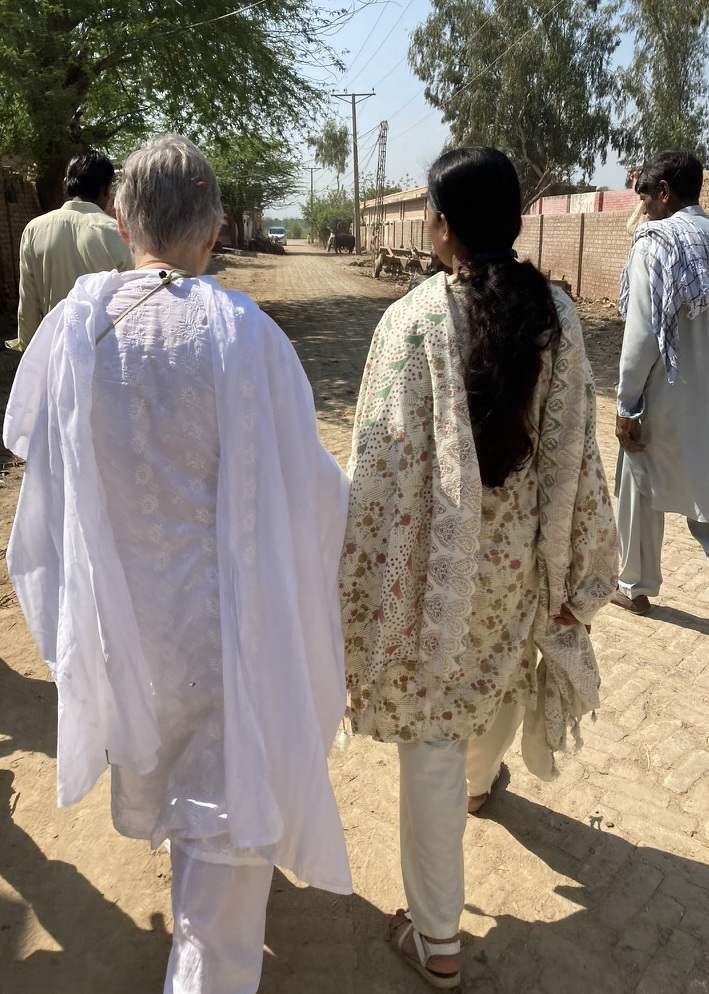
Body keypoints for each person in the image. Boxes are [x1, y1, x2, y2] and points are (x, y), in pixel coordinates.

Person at [3, 134, 352, 994]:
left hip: (127, 632)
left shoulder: (78, 328)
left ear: (124, 223)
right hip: (227, 633)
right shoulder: (246, 336)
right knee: (227, 828)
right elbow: (309, 491)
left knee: (169, 775)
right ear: (216, 228)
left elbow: (39, 467)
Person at [339, 147, 617, 989]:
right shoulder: (558, 315)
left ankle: (438, 942)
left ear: (443, 226)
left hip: (435, 573)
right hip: (517, 568)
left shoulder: (414, 320)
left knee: (431, 731)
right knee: (502, 675)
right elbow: (578, 448)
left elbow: (383, 463)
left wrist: (363, 574)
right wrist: (573, 569)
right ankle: (478, 782)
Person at [613, 151, 709, 615]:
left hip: (666, 396)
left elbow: (643, 333)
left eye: (645, 196)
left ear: (664, 193)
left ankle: (635, 585)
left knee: (638, 477)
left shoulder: (655, 242)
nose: (643, 207)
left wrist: (627, 403)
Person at [7, 151, 131, 352]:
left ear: (68, 183)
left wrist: (28, 348)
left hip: (55, 351)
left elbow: (28, 301)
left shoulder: (34, 229)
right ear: (105, 189)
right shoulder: (117, 233)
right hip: (104, 355)